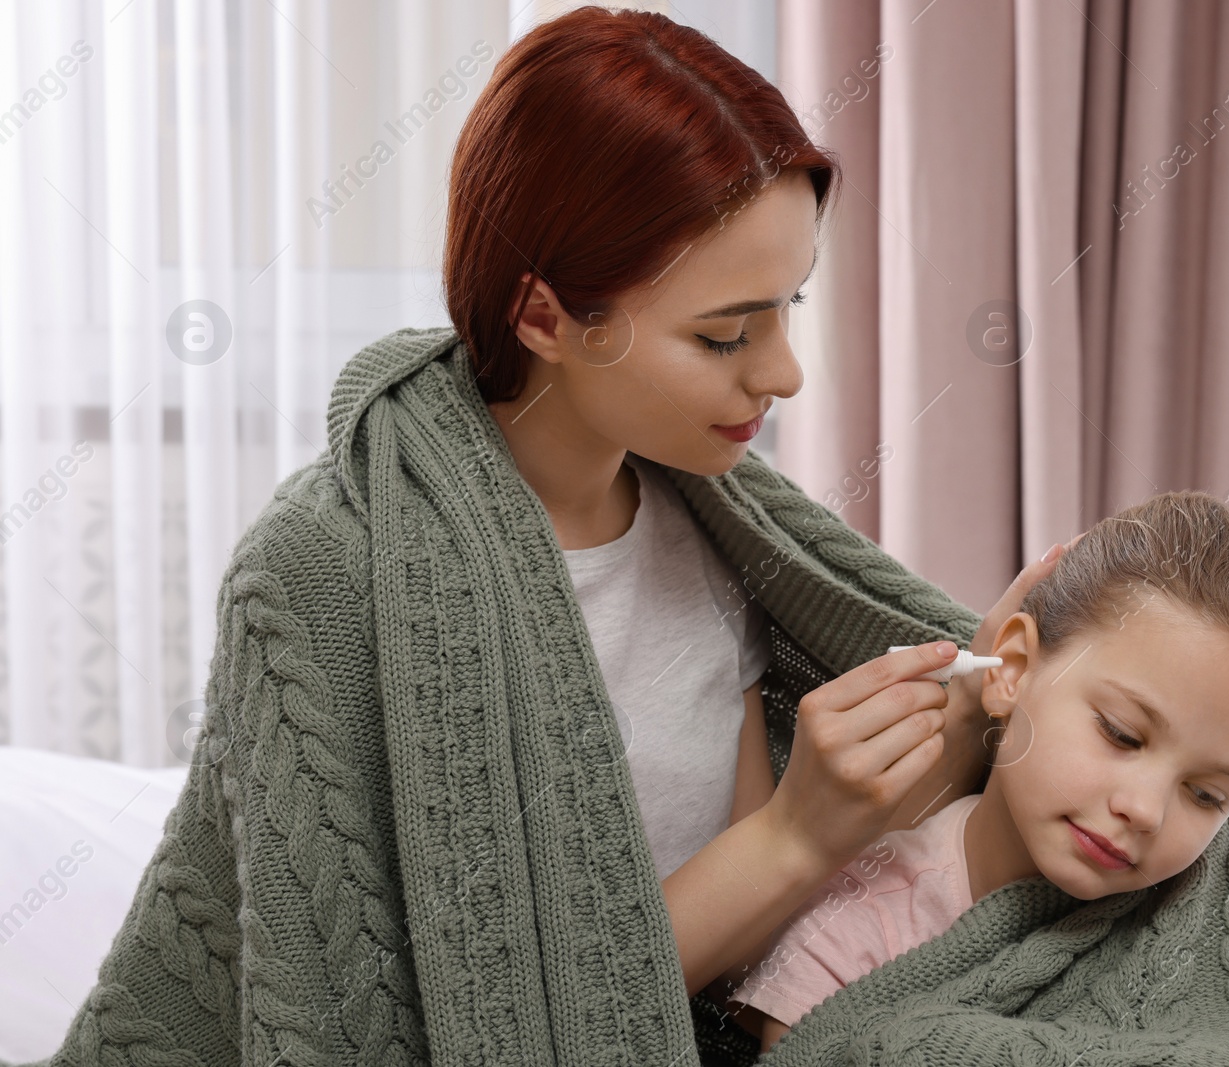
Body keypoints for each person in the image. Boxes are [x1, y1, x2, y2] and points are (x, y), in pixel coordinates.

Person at [10, 8, 1063, 1066]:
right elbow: (463, 1014)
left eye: (789, 305)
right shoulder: (321, 573)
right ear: (545, 317)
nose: (784, 371)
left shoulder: (718, 530)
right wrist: (799, 833)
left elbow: (719, 964)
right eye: (725, 333)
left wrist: (970, 709)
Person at [726, 490, 1229, 1055]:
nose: (1147, 810)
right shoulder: (852, 932)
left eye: (1208, 795)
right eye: (1122, 734)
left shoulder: (1195, 926)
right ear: (1013, 669)